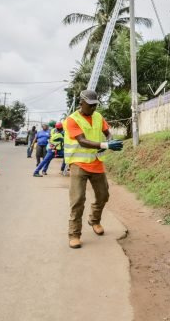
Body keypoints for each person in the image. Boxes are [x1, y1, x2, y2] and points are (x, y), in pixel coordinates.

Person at [64, 89, 124, 249]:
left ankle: (94, 220)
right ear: (81, 103)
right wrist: (105, 144)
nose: (93, 108)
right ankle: (74, 234)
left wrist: (112, 140)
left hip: (96, 163)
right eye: (89, 105)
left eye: (95, 105)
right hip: (78, 164)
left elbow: (107, 133)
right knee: (78, 200)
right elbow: (82, 141)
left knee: (103, 195)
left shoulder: (98, 117)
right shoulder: (72, 119)